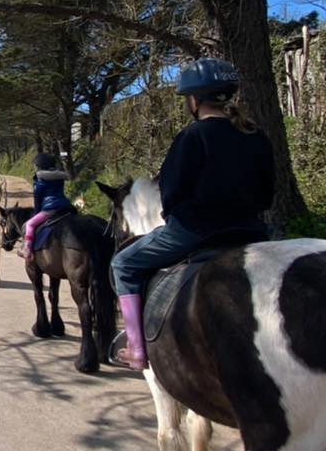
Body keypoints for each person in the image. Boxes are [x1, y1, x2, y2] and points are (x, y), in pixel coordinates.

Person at [111, 58, 275, 369]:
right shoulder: (257, 135)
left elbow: (171, 194)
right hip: (251, 231)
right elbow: (267, 194)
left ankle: (136, 349)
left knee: (124, 264)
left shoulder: (192, 137)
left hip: (196, 231)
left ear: (194, 100)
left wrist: (178, 217)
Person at [18, 153, 73, 267]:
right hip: (66, 206)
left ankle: (27, 250)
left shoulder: (39, 179)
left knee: (30, 225)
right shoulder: (59, 176)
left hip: (50, 209)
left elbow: (37, 199)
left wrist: (36, 213)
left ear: (39, 166)